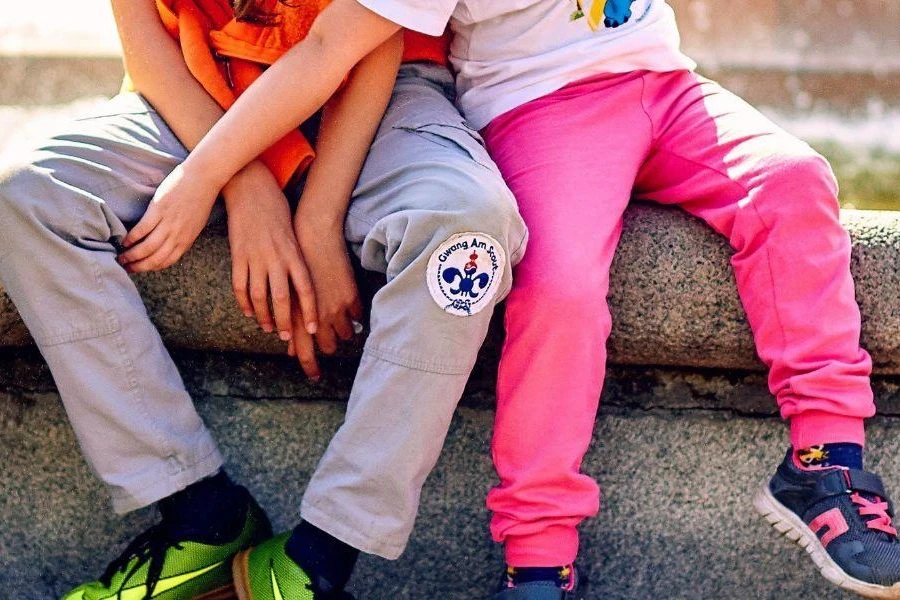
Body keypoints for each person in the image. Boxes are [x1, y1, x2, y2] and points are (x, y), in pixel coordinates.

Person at [158, 0, 900, 598]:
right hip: (541, 109)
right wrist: (206, 177)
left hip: (669, 89)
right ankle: (540, 561)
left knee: (794, 179)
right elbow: (329, 46)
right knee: (561, 287)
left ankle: (823, 462)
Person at [0, 0, 526, 598]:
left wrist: (318, 218)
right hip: (199, 84)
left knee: (467, 232)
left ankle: (321, 557)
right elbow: (147, 46)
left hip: (376, 88)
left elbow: (364, 40)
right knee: (33, 200)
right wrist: (245, 185)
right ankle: (201, 513)